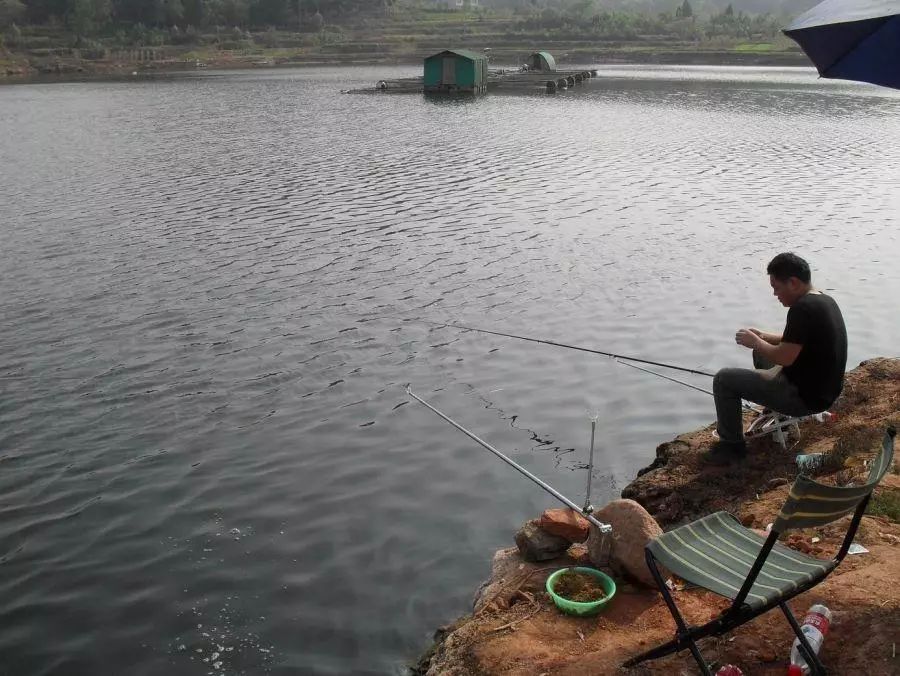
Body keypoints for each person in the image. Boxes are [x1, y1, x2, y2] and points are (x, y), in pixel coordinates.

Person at [708, 253, 847, 462]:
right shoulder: (823, 300)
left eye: (776, 287)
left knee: (724, 379)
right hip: (824, 391)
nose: (775, 294)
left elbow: (785, 357)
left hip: (804, 399)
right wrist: (763, 337)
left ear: (793, 282)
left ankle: (732, 447)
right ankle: (776, 412)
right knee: (762, 350)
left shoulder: (802, 309)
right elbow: (798, 340)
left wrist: (754, 342)